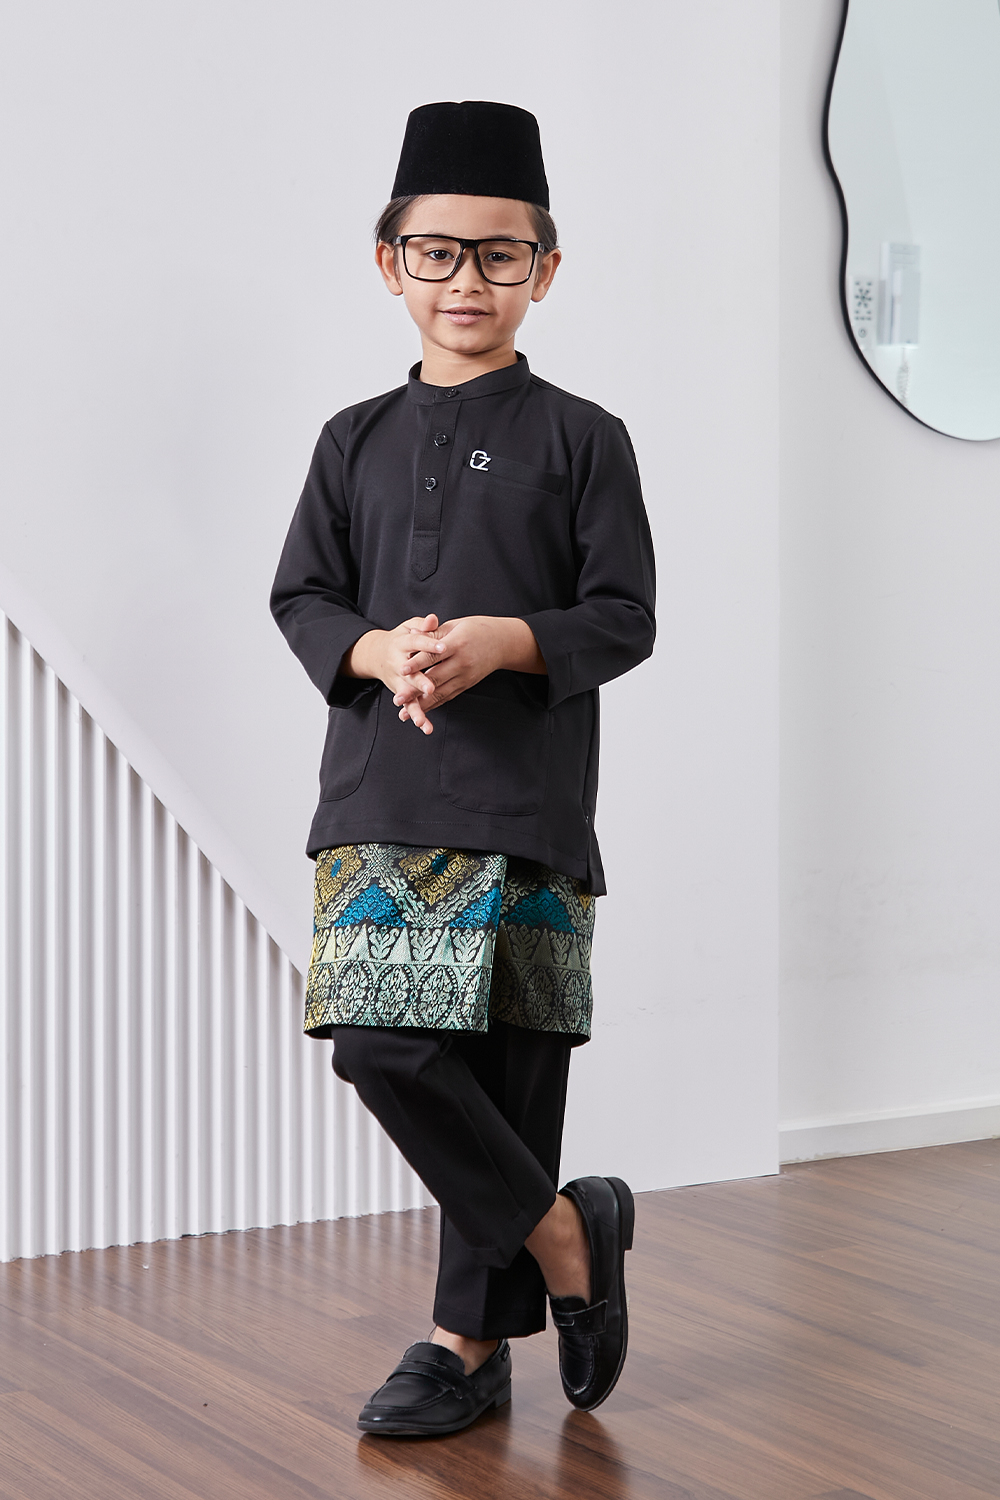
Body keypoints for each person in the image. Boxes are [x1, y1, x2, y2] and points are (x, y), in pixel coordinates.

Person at [270, 99, 655, 1437]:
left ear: (545, 268)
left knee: (509, 1077)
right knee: (382, 1044)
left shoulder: (584, 437)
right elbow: (303, 596)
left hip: (530, 801)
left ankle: (465, 1347)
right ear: (391, 263)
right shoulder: (352, 438)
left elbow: (623, 616)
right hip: (381, 798)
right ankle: (567, 1235)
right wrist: (377, 650)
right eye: (439, 253)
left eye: (501, 254)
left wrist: (503, 641)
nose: (468, 281)